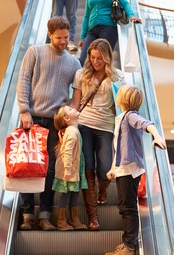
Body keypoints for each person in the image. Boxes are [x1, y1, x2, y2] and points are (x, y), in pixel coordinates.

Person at [17, 16, 82, 231]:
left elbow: (77, 93)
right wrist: (24, 110)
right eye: (59, 38)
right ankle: (27, 215)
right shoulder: (35, 52)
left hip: (56, 123)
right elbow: (24, 80)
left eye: (66, 37)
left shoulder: (74, 62)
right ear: (49, 34)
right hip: (33, 118)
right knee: (27, 165)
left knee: (51, 169)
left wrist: (69, 117)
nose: (64, 42)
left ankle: (45, 215)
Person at [104, 84, 166, 255]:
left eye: (120, 93)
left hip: (130, 170)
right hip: (123, 169)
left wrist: (157, 136)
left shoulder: (131, 116)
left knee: (128, 207)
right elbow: (118, 147)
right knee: (124, 206)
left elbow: (146, 124)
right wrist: (113, 168)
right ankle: (127, 243)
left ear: (123, 99)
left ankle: (129, 246)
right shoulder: (121, 117)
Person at [70, 38, 125, 230]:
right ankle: (93, 218)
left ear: (107, 57)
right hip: (84, 124)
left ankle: (103, 191)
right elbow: (75, 103)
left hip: (106, 127)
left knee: (104, 169)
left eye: (100, 58)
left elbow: (122, 105)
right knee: (88, 170)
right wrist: (70, 124)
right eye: (93, 57)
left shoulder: (117, 76)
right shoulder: (81, 74)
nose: (96, 61)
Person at [52, 105, 88, 231]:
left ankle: (74, 220)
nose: (74, 109)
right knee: (66, 194)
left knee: (74, 194)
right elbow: (67, 151)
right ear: (67, 118)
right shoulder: (72, 131)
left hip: (74, 168)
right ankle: (61, 221)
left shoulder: (73, 130)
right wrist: (67, 169)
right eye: (70, 110)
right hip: (69, 170)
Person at [78, 0, 142, 66]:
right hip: (92, 30)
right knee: (83, 60)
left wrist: (131, 15)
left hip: (109, 28)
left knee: (102, 59)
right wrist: (82, 37)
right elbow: (86, 16)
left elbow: (125, 3)